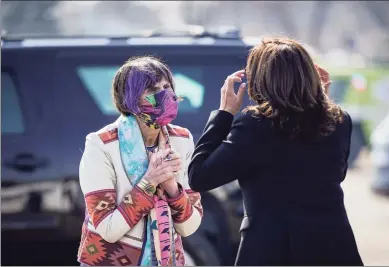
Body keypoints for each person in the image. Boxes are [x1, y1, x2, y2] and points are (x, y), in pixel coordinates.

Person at [188, 37, 363, 266]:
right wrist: (321, 101)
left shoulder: (254, 125)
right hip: (334, 247)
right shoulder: (339, 120)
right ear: (308, 74)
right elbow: (332, 175)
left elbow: (199, 176)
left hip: (271, 251)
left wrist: (224, 114)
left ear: (262, 80)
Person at [78, 56, 203, 266]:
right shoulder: (101, 145)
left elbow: (189, 226)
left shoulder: (181, 140)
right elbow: (108, 229)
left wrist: (172, 187)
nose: (165, 95)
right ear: (130, 98)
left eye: (167, 87)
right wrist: (149, 182)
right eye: (153, 90)